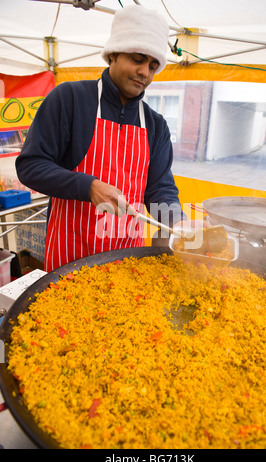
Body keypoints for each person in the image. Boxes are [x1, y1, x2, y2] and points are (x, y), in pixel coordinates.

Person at [16, 4, 186, 272]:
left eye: (153, 66)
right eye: (138, 59)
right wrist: (88, 186)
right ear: (113, 54)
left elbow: (159, 190)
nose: (146, 72)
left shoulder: (156, 125)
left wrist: (179, 222)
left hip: (127, 259)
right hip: (70, 254)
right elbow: (30, 166)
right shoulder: (69, 99)